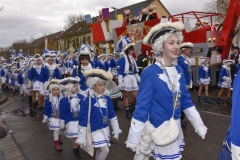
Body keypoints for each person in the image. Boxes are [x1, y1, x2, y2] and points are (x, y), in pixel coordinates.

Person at [126, 21, 207, 160]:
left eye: (177, 42)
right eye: (171, 43)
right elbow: (142, 106)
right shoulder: (150, 72)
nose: (177, 47)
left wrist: (198, 123)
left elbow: (186, 100)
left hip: (174, 128)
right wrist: (134, 136)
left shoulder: (179, 70)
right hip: (158, 128)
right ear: (160, 46)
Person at [76, 69, 122, 160]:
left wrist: (116, 128)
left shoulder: (107, 97)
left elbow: (111, 113)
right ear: (93, 85)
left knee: (100, 149)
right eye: (100, 85)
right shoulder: (87, 99)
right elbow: (83, 118)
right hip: (95, 130)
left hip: (105, 128)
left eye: (104, 84)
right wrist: (81, 136)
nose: (103, 87)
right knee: (105, 150)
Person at [59, 77, 83, 160]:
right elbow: (62, 112)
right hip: (71, 122)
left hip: (80, 120)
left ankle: (78, 148)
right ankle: (76, 152)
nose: (76, 88)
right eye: (74, 86)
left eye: (77, 86)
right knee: (75, 138)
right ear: (68, 87)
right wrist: (62, 123)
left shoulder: (81, 96)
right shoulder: (64, 100)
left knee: (80, 136)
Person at [117, 36, 140, 119]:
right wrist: (120, 82)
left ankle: (128, 106)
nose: (133, 51)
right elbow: (120, 72)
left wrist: (140, 80)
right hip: (126, 78)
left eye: (133, 49)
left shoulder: (132, 59)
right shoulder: (123, 59)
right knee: (126, 96)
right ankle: (127, 110)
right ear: (127, 50)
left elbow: (135, 72)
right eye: (131, 50)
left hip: (132, 78)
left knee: (135, 96)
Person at [42, 79, 63, 151]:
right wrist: (45, 117)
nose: (56, 91)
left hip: (60, 116)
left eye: (57, 89)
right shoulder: (48, 100)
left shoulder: (61, 98)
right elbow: (46, 109)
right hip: (52, 116)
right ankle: (56, 144)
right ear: (51, 90)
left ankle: (59, 137)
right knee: (56, 130)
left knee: (59, 128)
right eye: (54, 90)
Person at [177, 42, 193, 127]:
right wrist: (183, 85)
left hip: (186, 83)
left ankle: (182, 118)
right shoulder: (180, 60)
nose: (190, 51)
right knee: (181, 101)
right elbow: (180, 73)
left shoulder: (187, 59)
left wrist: (189, 83)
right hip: (182, 84)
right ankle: (179, 119)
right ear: (183, 50)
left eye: (190, 49)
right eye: (188, 49)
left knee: (183, 101)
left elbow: (188, 72)